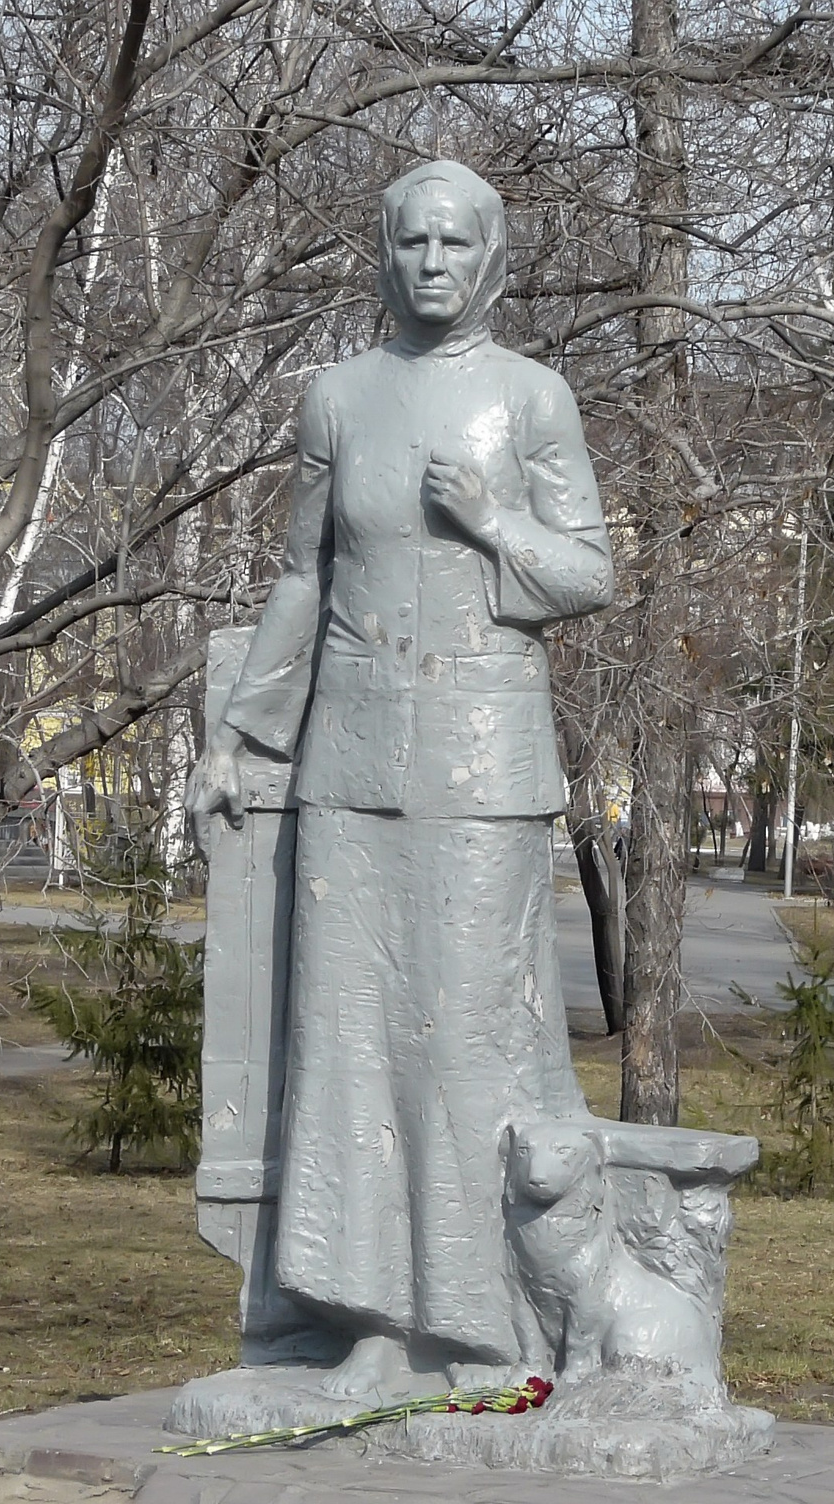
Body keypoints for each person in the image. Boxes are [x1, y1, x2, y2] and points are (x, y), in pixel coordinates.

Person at [188, 160, 615, 1401]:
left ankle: (479, 1323)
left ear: (490, 258)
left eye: (454, 242)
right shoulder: (336, 397)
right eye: (412, 241)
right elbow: (300, 579)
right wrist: (244, 738)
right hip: (352, 759)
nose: (431, 261)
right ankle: (370, 1318)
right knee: (350, 1039)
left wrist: (492, 522)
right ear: (386, 252)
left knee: (469, 1040)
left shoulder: (533, 399)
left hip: (484, 765)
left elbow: (587, 574)